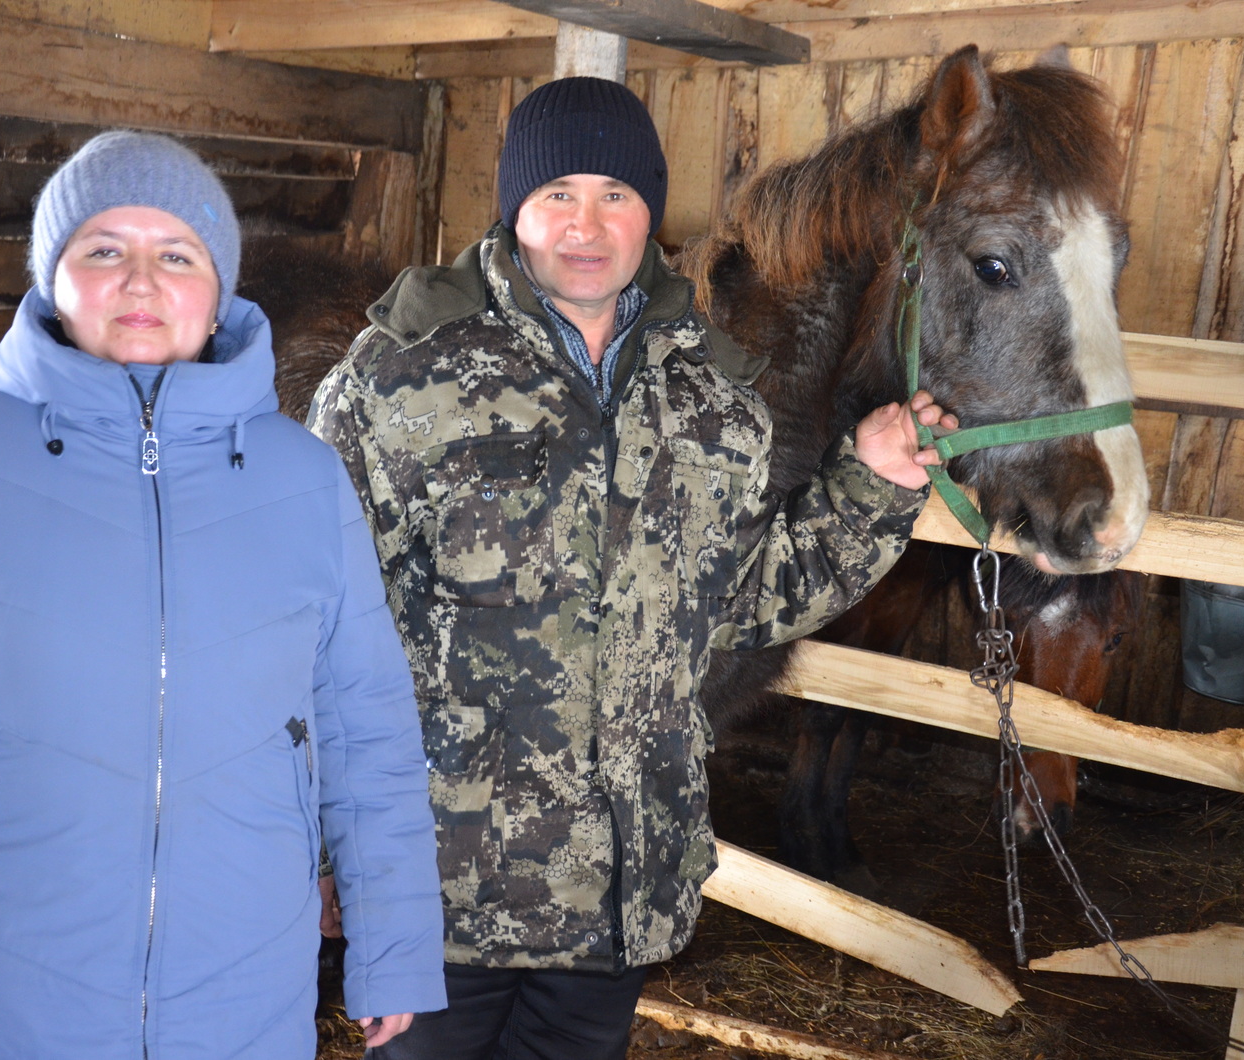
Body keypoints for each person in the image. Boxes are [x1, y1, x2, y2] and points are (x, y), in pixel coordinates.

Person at [0, 131, 445, 1060]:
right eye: (104, 251)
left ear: (221, 288)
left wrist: (396, 945)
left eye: (177, 254)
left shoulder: (304, 481)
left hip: (241, 999)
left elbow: (370, 733)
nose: (142, 283)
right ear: (53, 279)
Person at [307, 77, 955, 1060]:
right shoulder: (397, 376)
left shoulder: (713, 397)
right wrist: (316, 850)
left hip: (618, 893)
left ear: (649, 211)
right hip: (437, 895)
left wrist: (870, 485)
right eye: (557, 192)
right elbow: (311, 622)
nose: (586, 222)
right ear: (514, 205)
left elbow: (741, 607)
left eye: (615, 193)